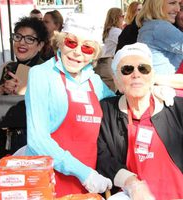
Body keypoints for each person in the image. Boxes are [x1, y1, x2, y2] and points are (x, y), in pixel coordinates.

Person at [21, 13, 114, 197]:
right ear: (61, 42)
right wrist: (83, 173)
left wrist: (153, 93)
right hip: (50, 183)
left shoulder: (94, 82)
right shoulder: (41, 75)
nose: (77, 52)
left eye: (87, 48)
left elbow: (119, 107)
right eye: (72, 43)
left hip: (87, 187)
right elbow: (38, 140)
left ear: (94, 54)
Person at [97, 43, 183, 200]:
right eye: (127, 70)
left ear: (152, 77)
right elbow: (102, 158)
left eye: (143, 69)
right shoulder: (107, 111)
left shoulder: (176, 107)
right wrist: (131, 182)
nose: (136, 74)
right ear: (116, 81)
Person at [0, 17, 48, 162]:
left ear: (40, 45)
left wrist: (28, 90)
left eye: (30, 39)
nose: (22, 42)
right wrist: (0, 90)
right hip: (2, 140)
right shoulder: (8, 68)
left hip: (31, 143)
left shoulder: (46, 71)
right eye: (18, 37)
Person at [136, 0, 183, 74]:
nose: (178, 9)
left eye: (179, 4)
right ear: (156, 5)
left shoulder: (150, 25)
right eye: (172, 3)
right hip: (166, 83)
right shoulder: (160, 27)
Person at [94, 7, 123, 92]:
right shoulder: (116, 32)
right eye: (122, 16)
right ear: (117, 17)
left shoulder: (106, 31)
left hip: (100, 63)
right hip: (108, 64)